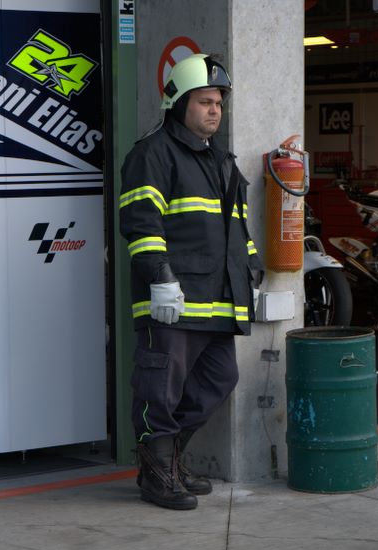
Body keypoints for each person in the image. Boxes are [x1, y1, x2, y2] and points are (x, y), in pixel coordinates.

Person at [119, 53, 263, 511]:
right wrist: (160, 278)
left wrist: (251, 273)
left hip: (219, 300)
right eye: (204, 101)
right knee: (159, 388)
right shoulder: (152, 154)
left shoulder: (221, 161)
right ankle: (158, 474)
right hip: (174, 299)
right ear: (178, 103)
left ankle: (167, 460)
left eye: (218, 102)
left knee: (220, 378)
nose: (214, 110)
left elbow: (238, 229)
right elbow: (141, 223)